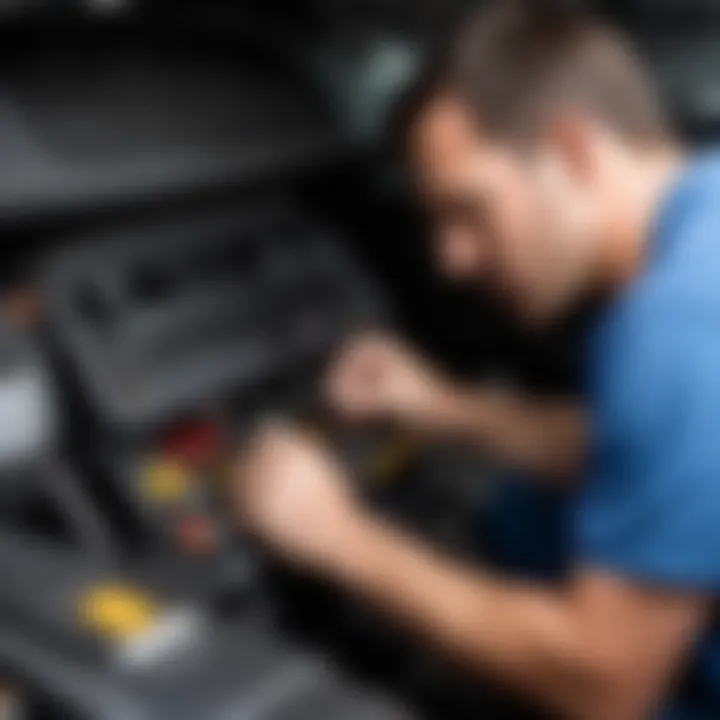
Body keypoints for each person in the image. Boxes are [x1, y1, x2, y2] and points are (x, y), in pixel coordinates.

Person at [234, 2, 720, 718]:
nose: (450, 259)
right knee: (519, 511)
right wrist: (443, 408)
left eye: (469, 210)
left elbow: (605, 685)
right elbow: (642, 447)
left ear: (573, 152)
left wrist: (338, 536)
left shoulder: (674, 325)